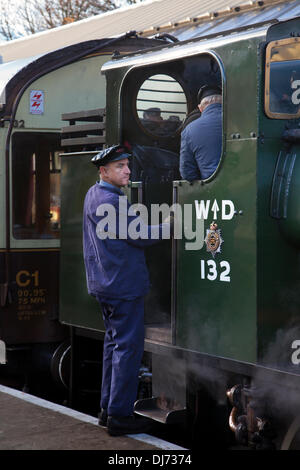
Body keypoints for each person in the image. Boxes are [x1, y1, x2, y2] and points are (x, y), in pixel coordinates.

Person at [82, 144, 171, 436]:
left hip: (106, 285)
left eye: (127, 165)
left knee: (113, 346)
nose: (128, 171)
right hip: (122, 286)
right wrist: (171, 224)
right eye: (121, 166)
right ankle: (119, 416)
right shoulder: (111, 201)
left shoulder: (94, 194)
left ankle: (108, 409)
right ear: (104, 171)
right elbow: (141, 235)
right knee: (127, 350)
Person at [179, 84, 222, 181]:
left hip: (211, 191)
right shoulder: (239, 123)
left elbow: (187, 173)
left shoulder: (189, 130)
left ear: (200, 108)